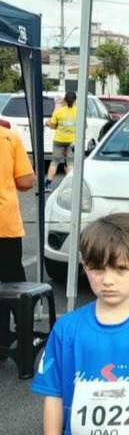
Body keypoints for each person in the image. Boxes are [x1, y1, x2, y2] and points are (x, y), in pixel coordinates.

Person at [32, 214, 129, 433]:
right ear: (85, 267)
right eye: (97, 268)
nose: (107, 280)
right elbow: (53, 393)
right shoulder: (66, 329)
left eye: (121, 268)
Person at [0, 122, 33, 347]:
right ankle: (23, 341)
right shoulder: (9, 137)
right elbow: (25, 181)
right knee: (12, 283)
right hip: (4, 223)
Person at [44, 90, 76, 192]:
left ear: (65, 101)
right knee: (70, 163)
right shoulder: (78, 112)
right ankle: (70, 185)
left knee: (55, 162)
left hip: (59, 139)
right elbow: (84, 126)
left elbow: (53, 124)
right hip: (72, 141)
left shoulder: (59, 112)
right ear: (75, 101)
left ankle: (48, 184)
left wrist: (47, 123)